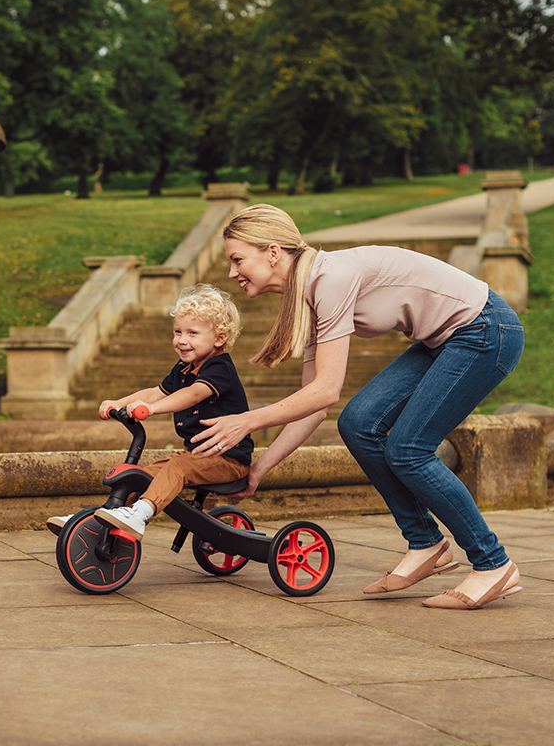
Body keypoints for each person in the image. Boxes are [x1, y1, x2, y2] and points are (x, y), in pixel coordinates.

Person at [190, 204, 525, 610]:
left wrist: (246, 420)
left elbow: (326, 390)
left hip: (486, 329)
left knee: (409, 449)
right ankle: (426, 544)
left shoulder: (331, 278)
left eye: (237, 259)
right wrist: (260, 469)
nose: (232, 272)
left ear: (273, 252)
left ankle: (493, 564)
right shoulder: (307, 296)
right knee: (359, 422)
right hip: (444, 340)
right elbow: (313, 403)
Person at [46, 283, 255, 541]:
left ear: (219, 338)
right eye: (178, 332)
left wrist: (153, 410)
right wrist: (119, 403)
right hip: (198, 456)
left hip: (228, 460)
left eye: (192, 333)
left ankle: (139, 515)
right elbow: (156, 392)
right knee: (140, 476)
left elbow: (194, 394)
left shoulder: (219, 368)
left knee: (177, 467)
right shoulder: (183, 368)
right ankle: (95, 518)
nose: (182, 340)